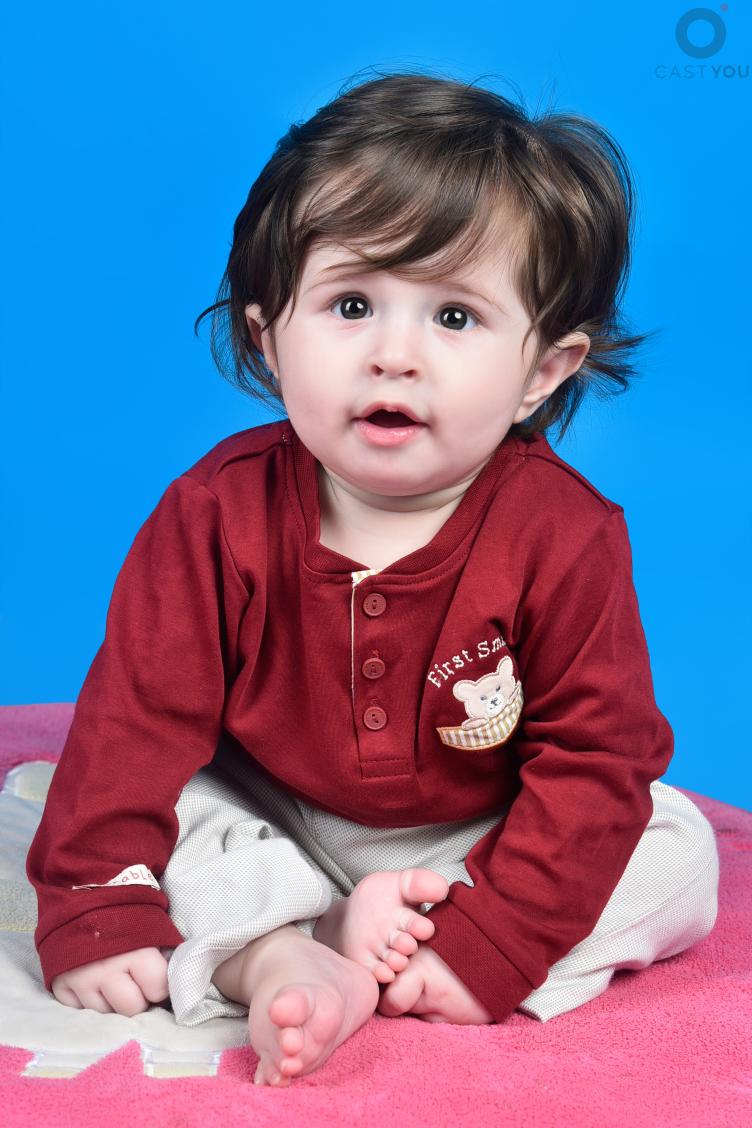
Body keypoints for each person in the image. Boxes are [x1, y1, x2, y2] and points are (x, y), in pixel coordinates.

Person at [26, 70, 719, 1088]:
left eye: (454, 318)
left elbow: (593, 755)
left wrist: (495, 937)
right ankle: (290, 948)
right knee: (121, 809)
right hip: (270, 811)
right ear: (268, 336)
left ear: (542, 370)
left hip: (477, 837)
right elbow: (138, 717)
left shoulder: (565, 535)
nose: (395, 355)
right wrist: (99, 898)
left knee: (673, 850)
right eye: (351, 304)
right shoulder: (214, 512)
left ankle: (383, 941)